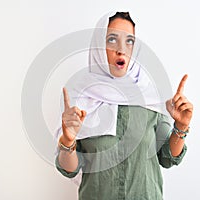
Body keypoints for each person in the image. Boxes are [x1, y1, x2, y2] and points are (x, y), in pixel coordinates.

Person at [55, 11, 193, 200]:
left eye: (129, 41)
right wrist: (68, 141)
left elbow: (167, 158)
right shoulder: (80, 99)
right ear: (99, 45)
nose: (121, 49)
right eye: (112, 39)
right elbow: (69, 169)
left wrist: (181, 126)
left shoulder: (151, 97)